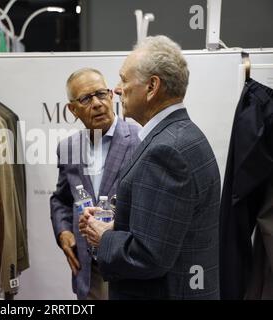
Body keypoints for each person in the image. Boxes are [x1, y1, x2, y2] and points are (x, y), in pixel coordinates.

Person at [80, 35, 221, 300]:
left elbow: (150, 257)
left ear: (152, 86)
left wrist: (103, 237)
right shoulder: (184, 135)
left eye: (124, 79)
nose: (117, 89)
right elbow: (166, 236)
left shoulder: (166, 152)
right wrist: (116, 227)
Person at [50, 68, 140, 300]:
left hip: (128, 267)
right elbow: (61, 198)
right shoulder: (68, 148)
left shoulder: (141, 139)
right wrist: (64, 232)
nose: (97, 103)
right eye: (86, 99)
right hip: (87, 271)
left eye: (101, 94)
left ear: (111, 96)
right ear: (72, 109)